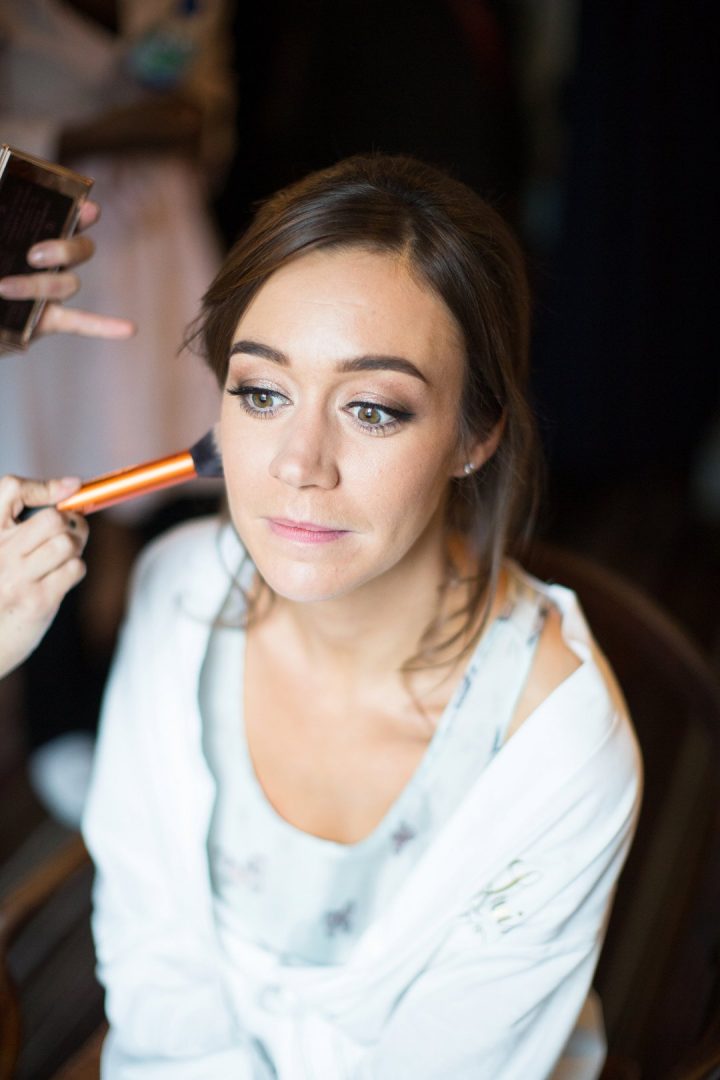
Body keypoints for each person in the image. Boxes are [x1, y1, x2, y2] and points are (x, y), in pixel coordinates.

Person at [83, 154, 642, 1079]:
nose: (301, 462)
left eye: (374, 409)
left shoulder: (556, 747)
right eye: (262, 393)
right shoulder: (176, 593)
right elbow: (153, 958)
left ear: (476, 434)